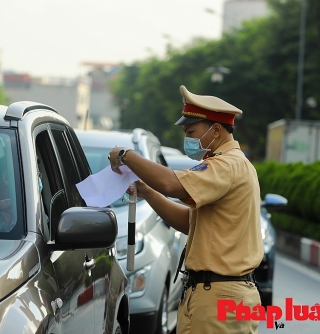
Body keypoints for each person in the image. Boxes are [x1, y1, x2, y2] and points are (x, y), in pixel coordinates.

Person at [108, 85, 262, 333]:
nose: (187, 139)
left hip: (221, 296)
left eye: (191, 132)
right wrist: (148, 192)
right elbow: (189, 223)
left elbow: (171, 183)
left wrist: (127, 156)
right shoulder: (227, 165)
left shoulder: (226, 165)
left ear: (215, 130)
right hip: (212, 294)